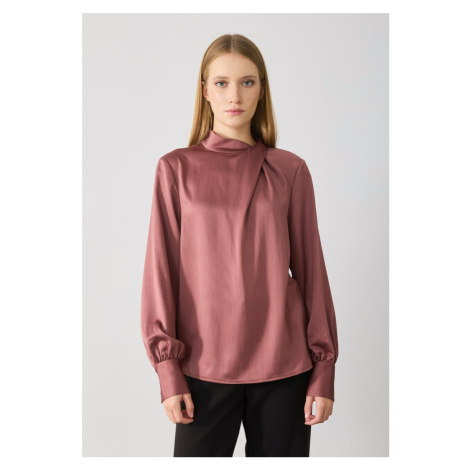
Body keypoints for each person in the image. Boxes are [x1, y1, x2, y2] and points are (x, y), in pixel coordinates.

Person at [140, 33, 339, 457]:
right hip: (202, 367)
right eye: (222, 83)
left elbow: (312, 274)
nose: (235, 95)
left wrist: (324, 368)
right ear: (205, 90)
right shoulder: (175, 169)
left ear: (262, 89)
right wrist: (167, 370)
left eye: (247, 82)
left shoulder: (290, 170)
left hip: (285, 368)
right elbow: (160, 273)